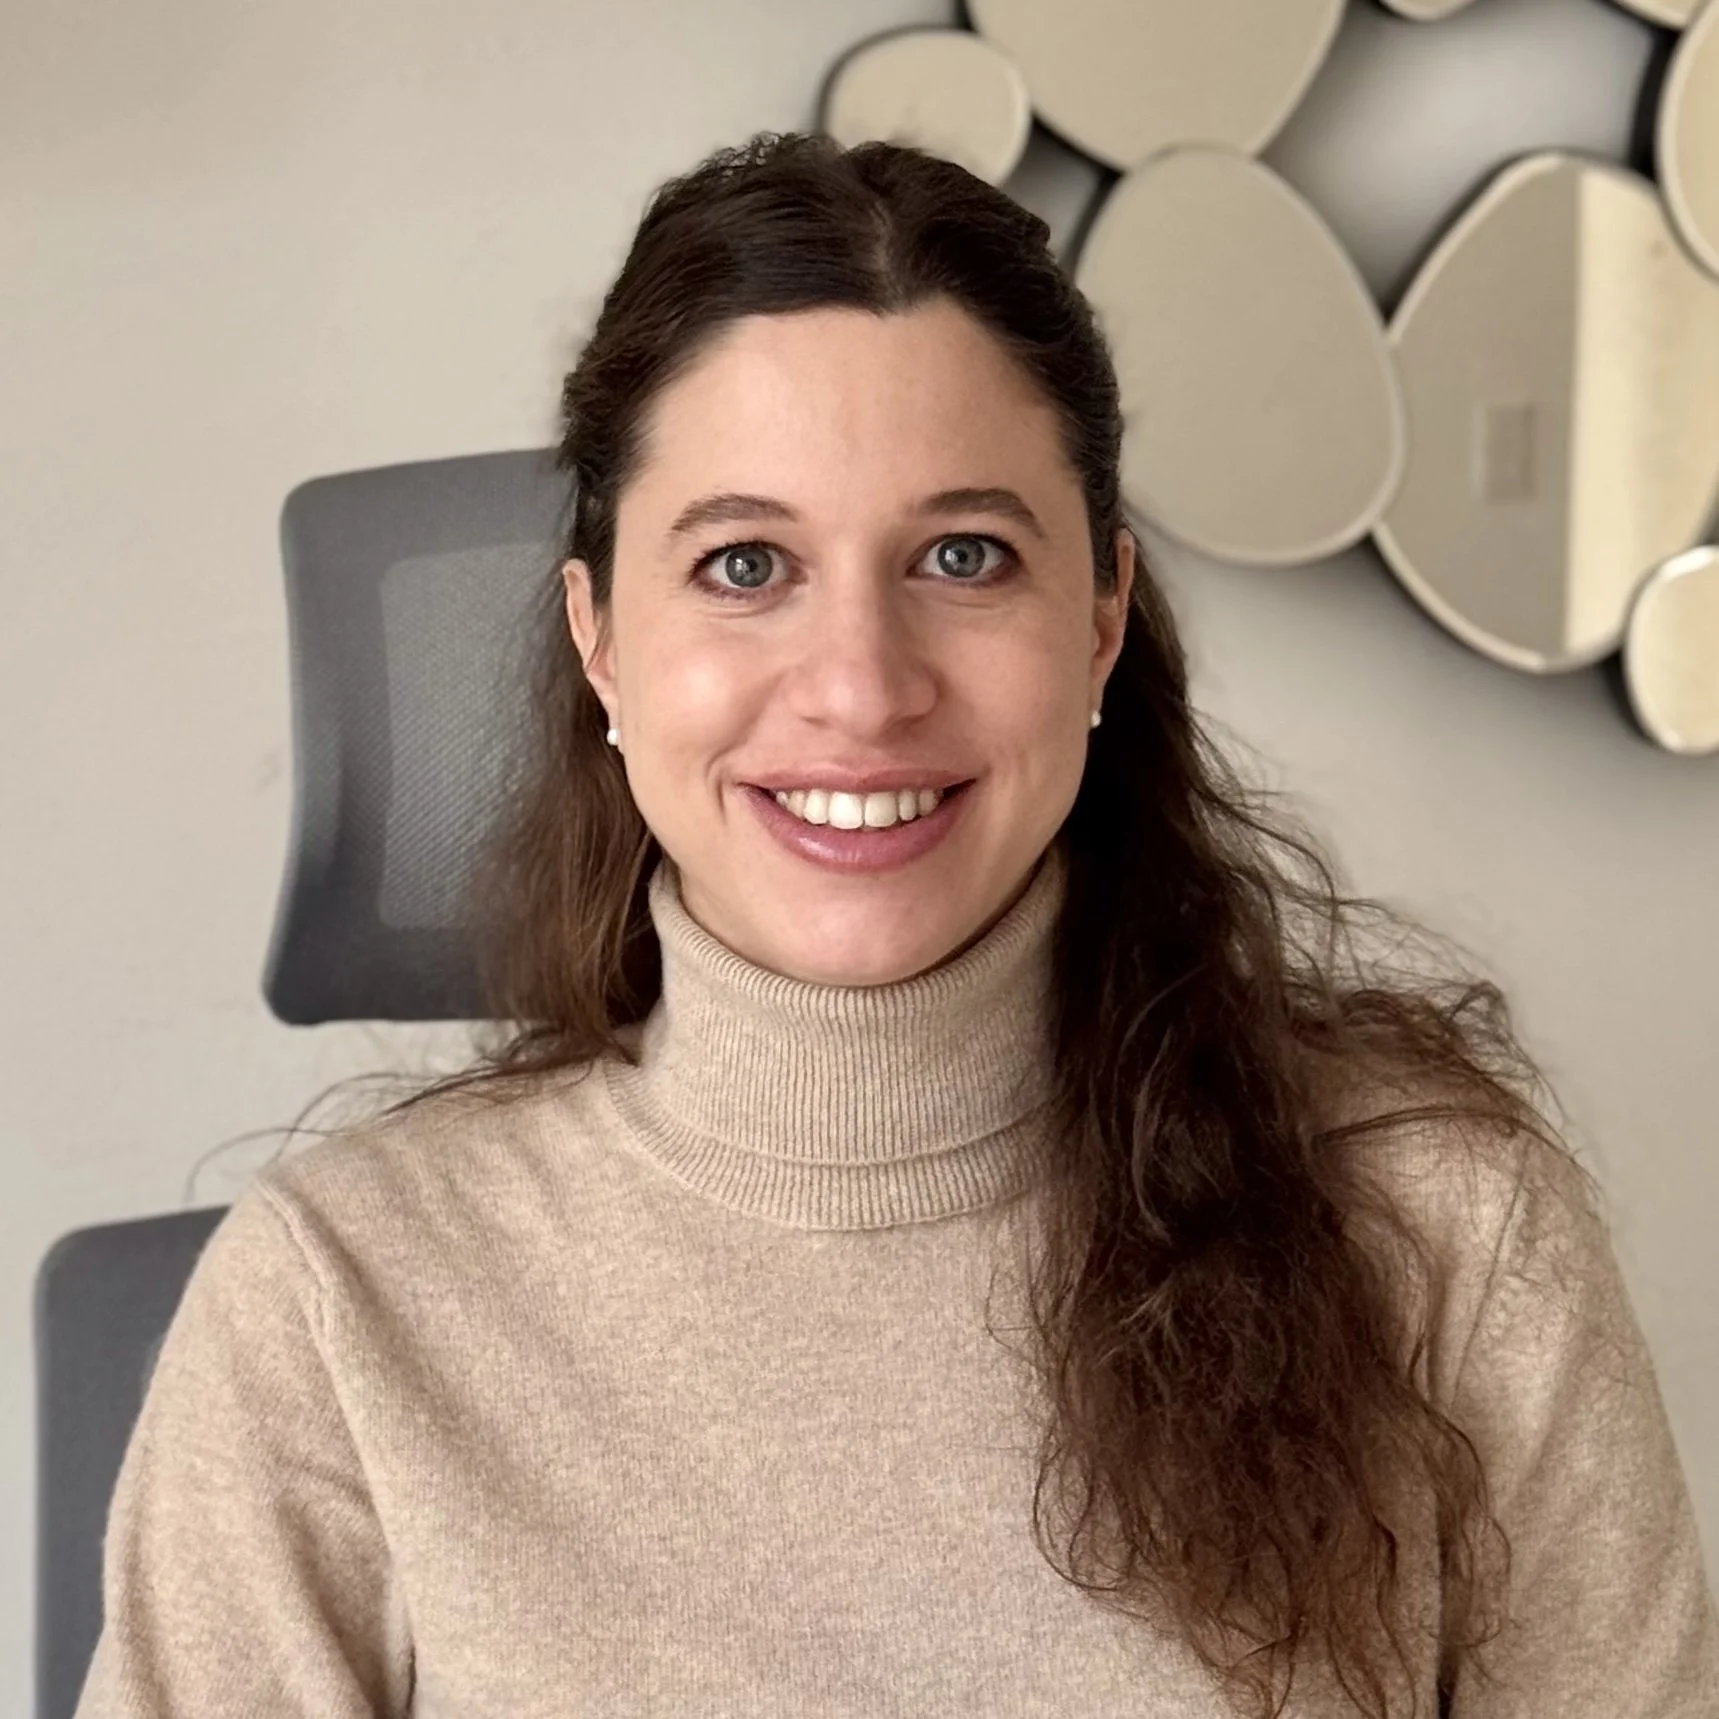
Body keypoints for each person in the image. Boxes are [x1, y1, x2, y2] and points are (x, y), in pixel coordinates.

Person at [77, 131, 1718, 1719]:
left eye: (962, 554)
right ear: (599, 640)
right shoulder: (340, 1305)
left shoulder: (1443, 1234)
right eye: (743, 565)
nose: (860, 687)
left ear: (1100, 619)